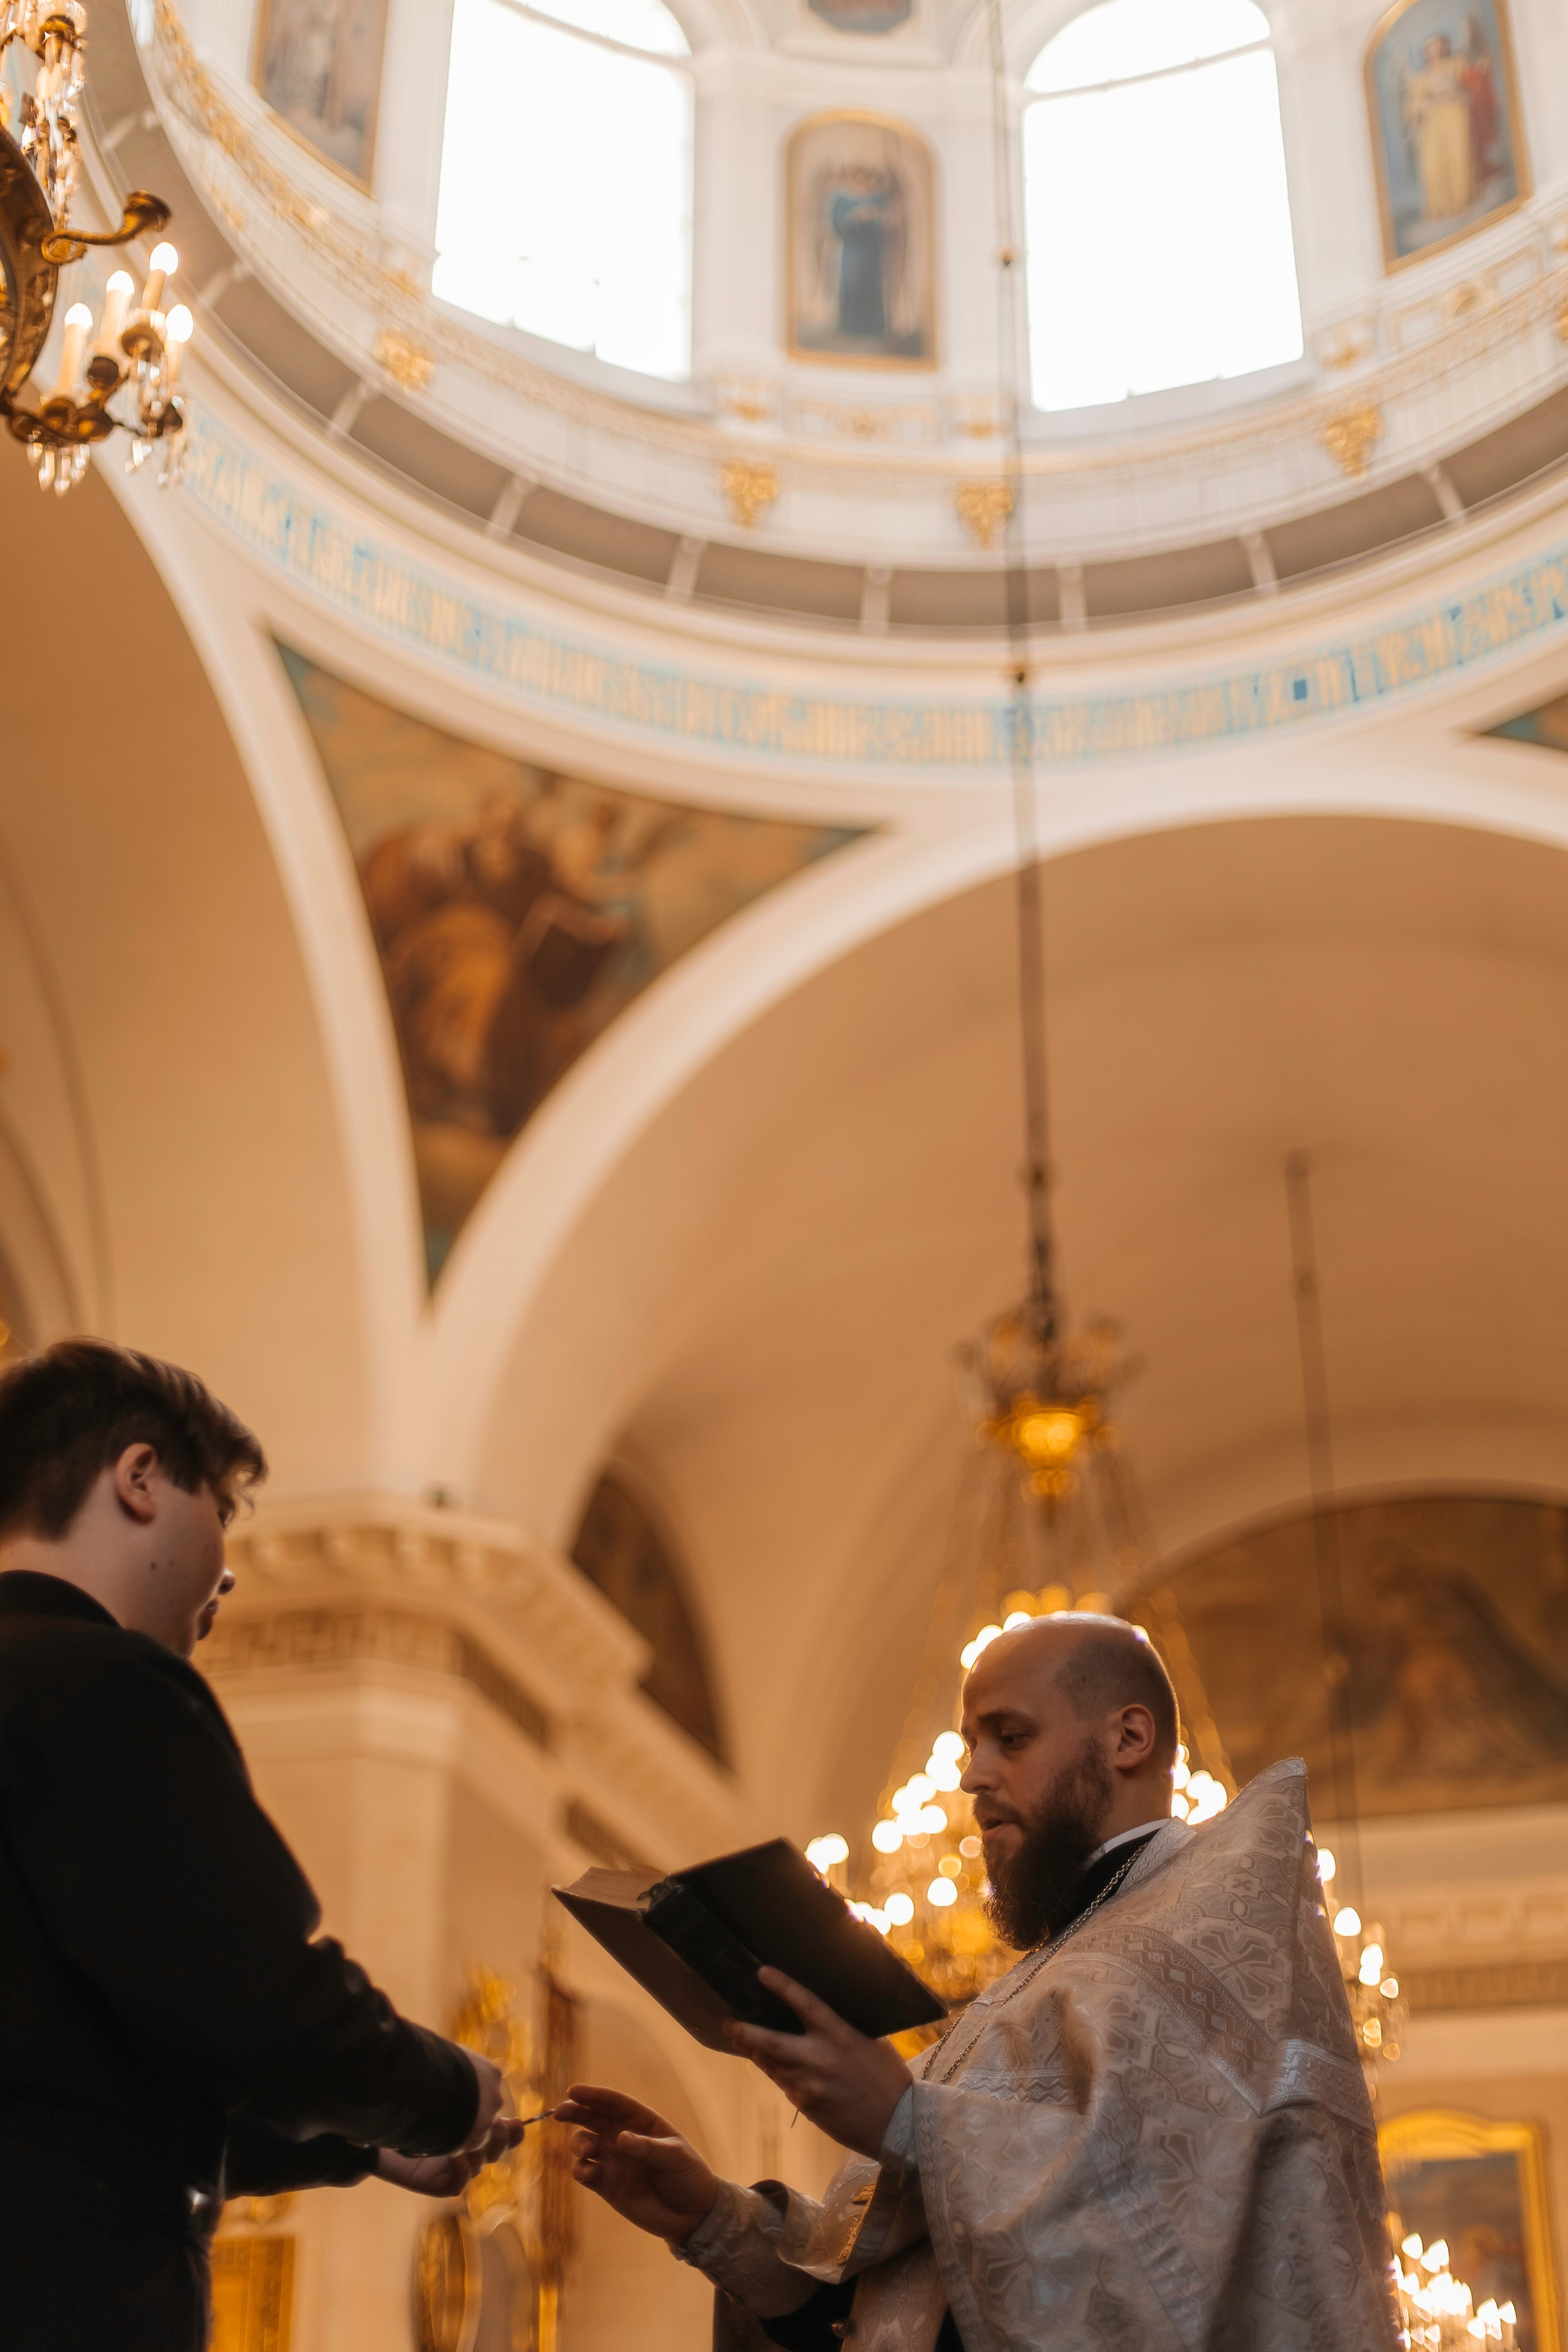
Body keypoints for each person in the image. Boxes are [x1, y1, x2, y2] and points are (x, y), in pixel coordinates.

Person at [561, 1614, 1395, 2351]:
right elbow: (909, 2302)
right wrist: (713, 2219)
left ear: (1129, 1739)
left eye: (1012, 1737)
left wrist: (909, 2121)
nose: (971, 1776)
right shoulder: (1040, 1974)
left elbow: (1167, 2252)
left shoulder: (1208, 1936)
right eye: (970, 1744)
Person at [0, 1340, 524, 2352]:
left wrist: (356, 2149)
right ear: (140, 1478)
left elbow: (79, 2083)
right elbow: (256, 2006)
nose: (226, 1575)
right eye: (222, 1516)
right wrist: (446, 2093)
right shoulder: (103, 1684)